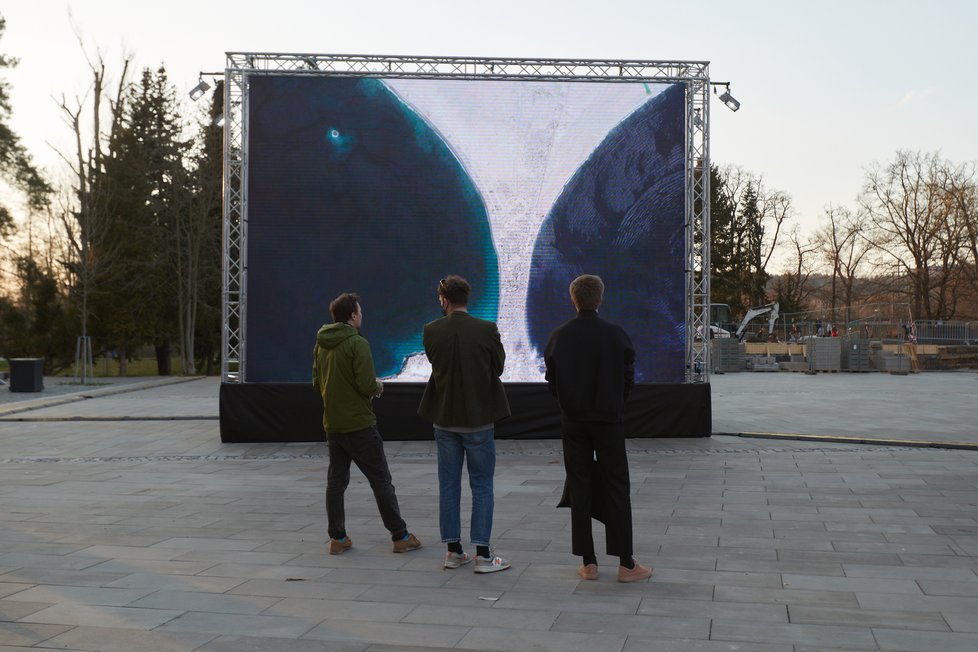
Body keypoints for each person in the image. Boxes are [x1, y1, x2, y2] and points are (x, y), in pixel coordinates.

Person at [544, 274, 652, 583]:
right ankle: (626, 563)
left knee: (579, 487)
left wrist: (568, 404)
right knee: (617, 487)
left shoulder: (559, 336)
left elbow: (551, 380)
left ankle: (588, 562)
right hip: (609, 421)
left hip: (574, 422)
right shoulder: (615, 335)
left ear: (573, 299)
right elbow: (628, 377)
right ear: (600, 299)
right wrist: (616, 403)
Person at [313, 292, 422, 556]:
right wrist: (378, 387)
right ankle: (400, 535)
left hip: (334, 424)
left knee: (336, 482)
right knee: (381, 480)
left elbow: (317, 383)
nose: (362, 315)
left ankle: (337, 538)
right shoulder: (357, 343)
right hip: (360, 424)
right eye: (360, 311)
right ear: (352, 316)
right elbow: (365, 384)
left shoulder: (321, 344)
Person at [419, 275, 512, 573]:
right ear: (467, 298)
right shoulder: (487, 329)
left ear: (443, 300)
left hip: (444, 419)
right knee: (482, 485)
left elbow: (437, 364)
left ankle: (453, 551)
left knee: (448, 486)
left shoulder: (431, 331)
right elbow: (497, 367)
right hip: (479, 419)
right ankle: (483, 555)